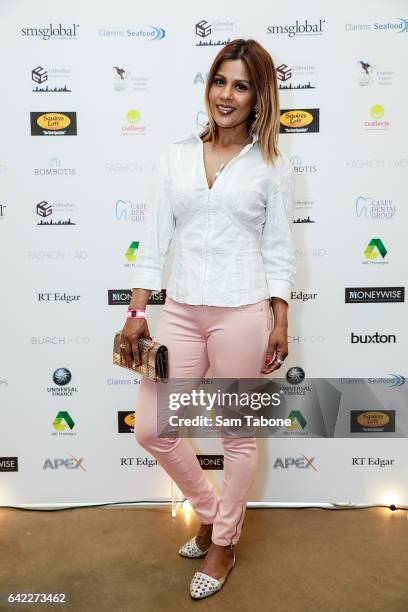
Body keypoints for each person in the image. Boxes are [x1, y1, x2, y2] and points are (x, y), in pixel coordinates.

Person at [120, 38, 296, 599]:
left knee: (238, 436)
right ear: (209, 86)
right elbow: (152, 240)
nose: (227, 95)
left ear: (257, 97)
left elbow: (280, 249)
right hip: (180, 313)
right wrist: (137, 310)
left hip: (244, 312)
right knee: (151, 427)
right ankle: (211, 510)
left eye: (241, 85)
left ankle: (223, 543)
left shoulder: (272, 164)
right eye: (221, 81)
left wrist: (280, 317)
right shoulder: (174, 156)